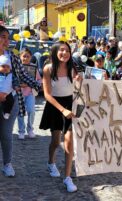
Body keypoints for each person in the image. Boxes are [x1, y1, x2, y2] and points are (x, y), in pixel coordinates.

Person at [0, 25, 41, 177]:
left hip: (10, 101)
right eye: (3, 37)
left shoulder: (13, 57)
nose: (6, 40)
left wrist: (37, 84)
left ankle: (7, 164)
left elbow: (23, 75)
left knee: (6, 134)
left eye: (7, 37)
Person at [39, 41, 79, 192]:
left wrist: (79, 81)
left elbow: (77, 87)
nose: (65, 53)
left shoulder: (72, 67)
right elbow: (47, 95)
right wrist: (62, 110)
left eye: (67, 50)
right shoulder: (48, 69)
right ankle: (51, 162)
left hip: (70, 105)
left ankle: (67, 178)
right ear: (55, 52)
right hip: (55, 106)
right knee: (56, 141)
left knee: (69, 141)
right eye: (61, 50)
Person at [17, 48, 42, 140]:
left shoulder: (33, 67)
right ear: (20, 57)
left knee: (31, 111)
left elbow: (39, 79)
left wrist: (34, 83)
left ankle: (30, 129)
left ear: (31, 57)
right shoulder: (17, 67)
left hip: (30, 93)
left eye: (28, 56)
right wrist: (19, 84)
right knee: (20, 112)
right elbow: (13, 79)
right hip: (19, 93)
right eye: (24, 56)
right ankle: (21, 131)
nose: (26, 58)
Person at [0, 55, 14, 120]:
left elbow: (15, 82)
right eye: (3, 66)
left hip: (8, 93)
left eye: (8, 67)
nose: (5, 68)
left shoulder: (11, 75)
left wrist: (16, 86)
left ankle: (7, 112)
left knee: (11, 101)